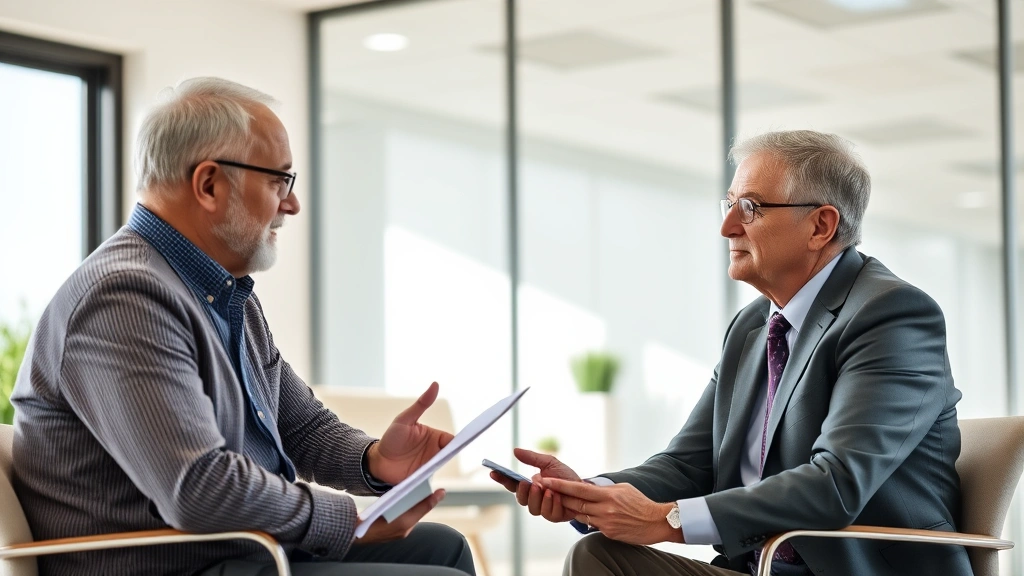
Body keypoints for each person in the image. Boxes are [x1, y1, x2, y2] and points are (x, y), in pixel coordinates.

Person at [11, 77, 475, 576]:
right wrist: (345, 520)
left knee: (442, 548)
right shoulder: (124, 298)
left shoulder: (223, 293)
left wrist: (375, 460)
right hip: (179, 566)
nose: (292, 204)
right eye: (280, 182)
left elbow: (300, 425)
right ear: (209, 184)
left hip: (240, 553)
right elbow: (198, 487)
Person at [491, 130, 969, 576]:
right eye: (729, 204)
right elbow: (689, 464)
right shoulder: (753, 325)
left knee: (599, 560)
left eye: (750, 207)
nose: (726, 227)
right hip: (752, 566)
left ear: (821, 225)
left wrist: (668, 520)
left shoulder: (892, 315)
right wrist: (589, 494)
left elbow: (837, 481)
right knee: (598, 550)